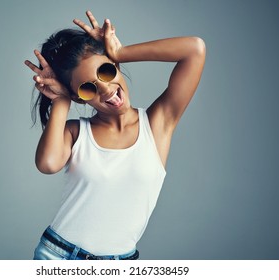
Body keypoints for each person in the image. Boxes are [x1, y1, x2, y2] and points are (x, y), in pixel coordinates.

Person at [24, 11, 206, 260]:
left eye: (106, 71)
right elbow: (48, 164)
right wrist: (61, 100)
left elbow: (194, 49)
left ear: (116, 66)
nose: (106, 90)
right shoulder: (77, 132)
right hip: (59, 257)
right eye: (88, 88)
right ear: (79, 97)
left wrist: (121, 52)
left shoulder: (157, 124)